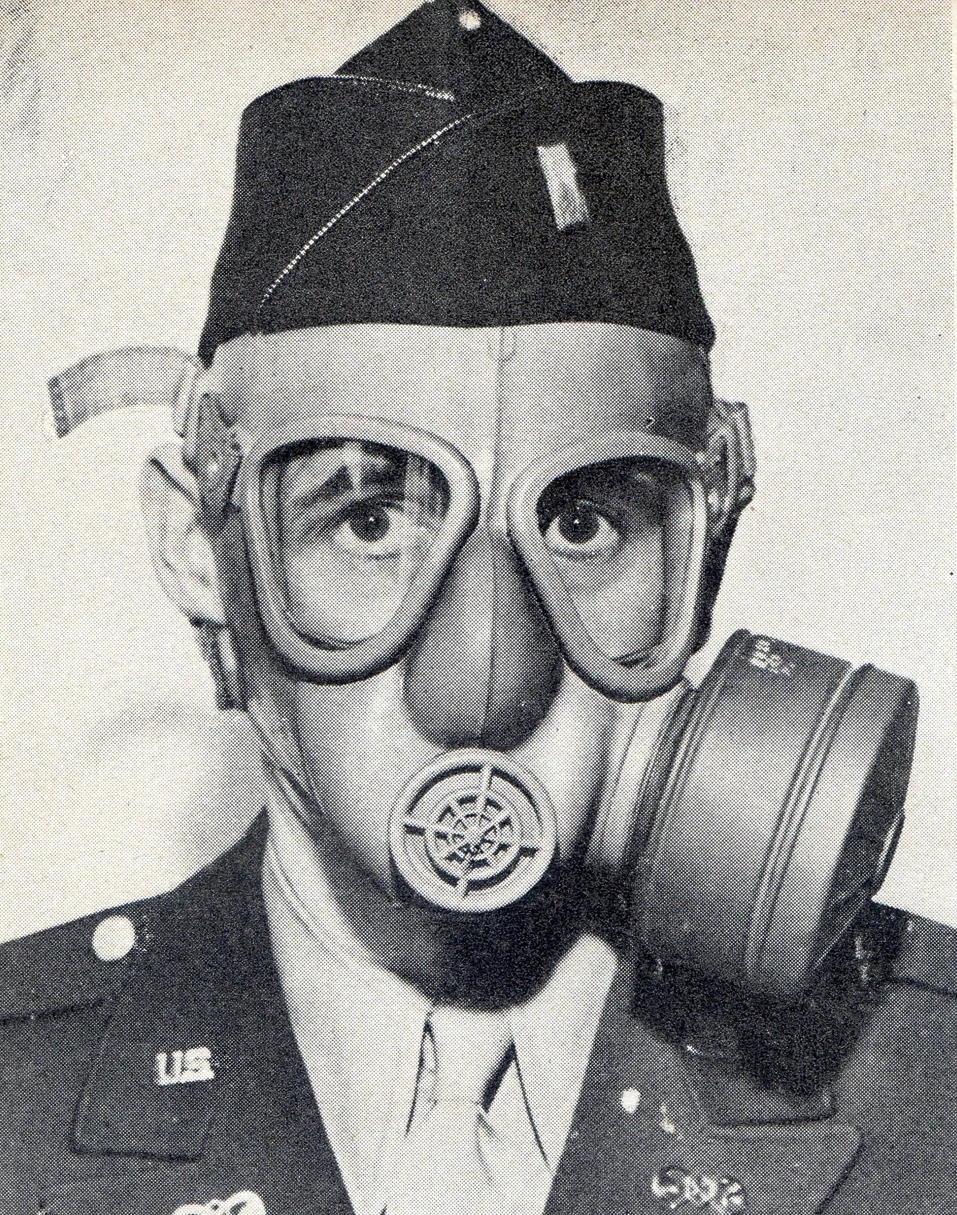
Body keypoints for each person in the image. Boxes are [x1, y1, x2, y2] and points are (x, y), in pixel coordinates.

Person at [1, 3, 954, 1213]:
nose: (487, 672)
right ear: (200, 548)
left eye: (584, 522)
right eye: (370, 519)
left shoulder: (932, 1096)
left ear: (708, 544)